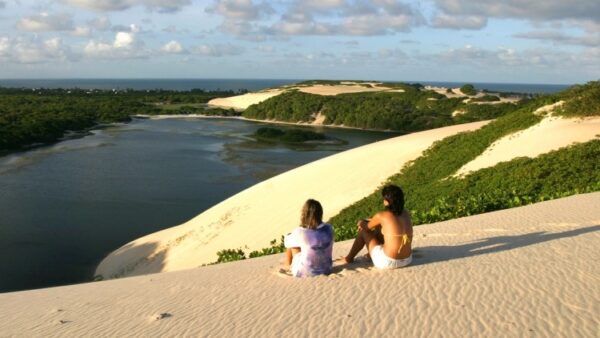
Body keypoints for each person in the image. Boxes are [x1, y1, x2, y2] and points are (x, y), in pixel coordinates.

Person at [343, 185, 413, 269]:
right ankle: (370, 254)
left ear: (386, 202)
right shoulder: (406, 213)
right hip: (408, 259)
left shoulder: (382, 216)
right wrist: (372, 221)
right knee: (379, 227)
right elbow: (388, 222)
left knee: (363, 232)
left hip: (388, 262)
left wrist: (361, 222)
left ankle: (348, 258)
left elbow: (365, 227)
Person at [284, 199, 334, 277]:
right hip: (327, 269)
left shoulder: (301, 232)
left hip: (304, 272)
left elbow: (286, 243)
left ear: (304, 214)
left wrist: (288, 235)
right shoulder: (329, 228)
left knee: (292, 243)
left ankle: (288, 265)